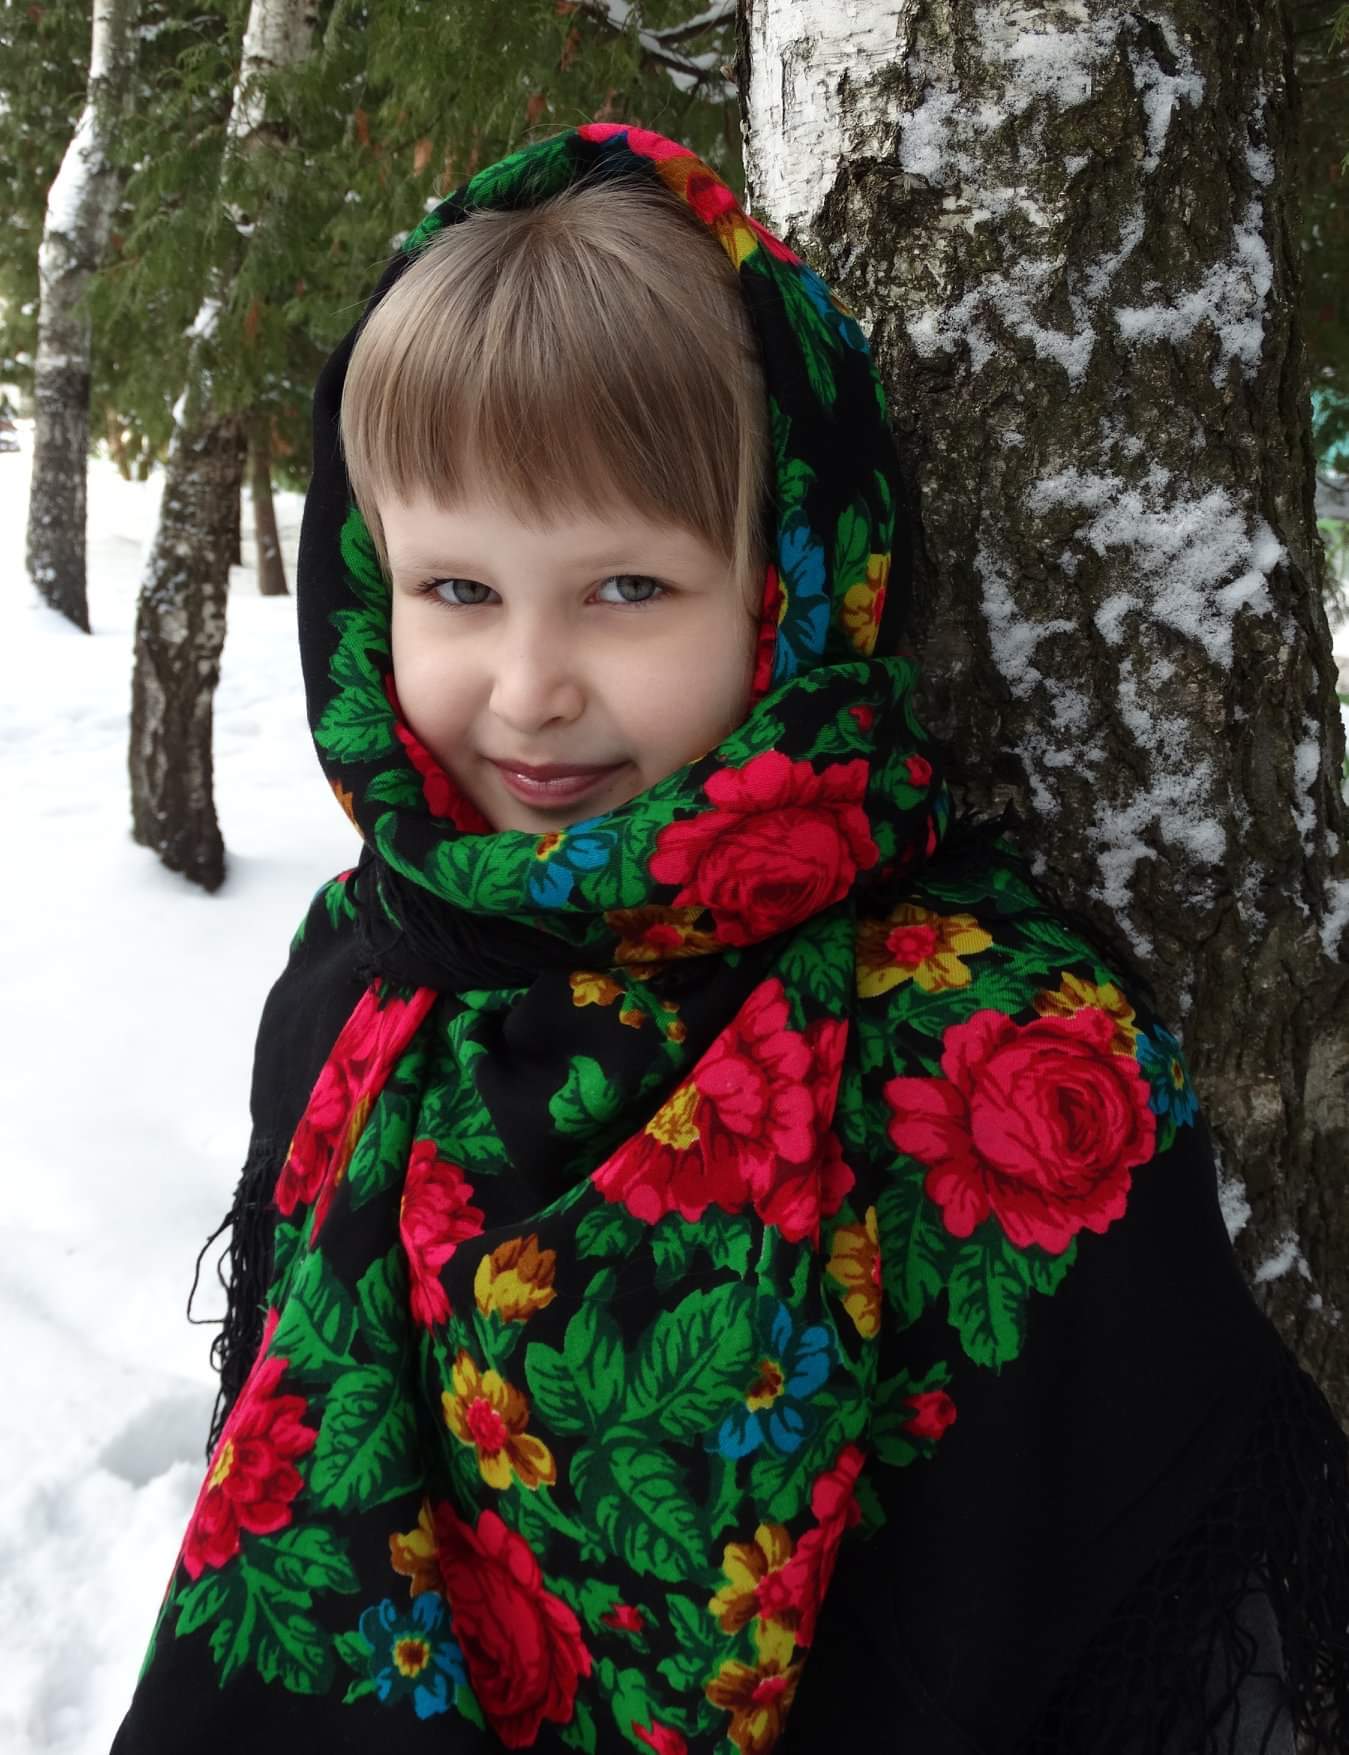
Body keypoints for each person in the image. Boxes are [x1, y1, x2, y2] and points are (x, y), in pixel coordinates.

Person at [110, 122, 1349, 1754]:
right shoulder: (367, 970)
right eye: (458, 590)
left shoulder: (990, 1047)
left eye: (627, 588)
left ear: (788, 582)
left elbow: (1123, 1616)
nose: (530, 689)